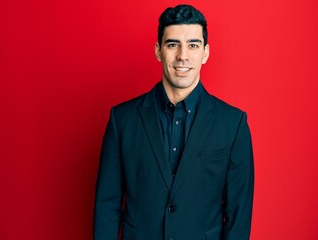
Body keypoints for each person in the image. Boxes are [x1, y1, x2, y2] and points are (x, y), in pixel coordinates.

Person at [94, 4, 254, 240]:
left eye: (193, 45)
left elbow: (238, 217)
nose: (183, 56)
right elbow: (107, 206)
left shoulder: (234, 123)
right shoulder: (122, 120)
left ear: (205, 52)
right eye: (172, 44)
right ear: (158, 50)